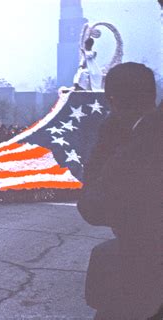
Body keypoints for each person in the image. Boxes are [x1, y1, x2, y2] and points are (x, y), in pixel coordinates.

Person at [78, 62, 162, 319]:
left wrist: (106, 141)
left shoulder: (141, 148)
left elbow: (94, 207)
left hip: (144, 273)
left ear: (113, 101)